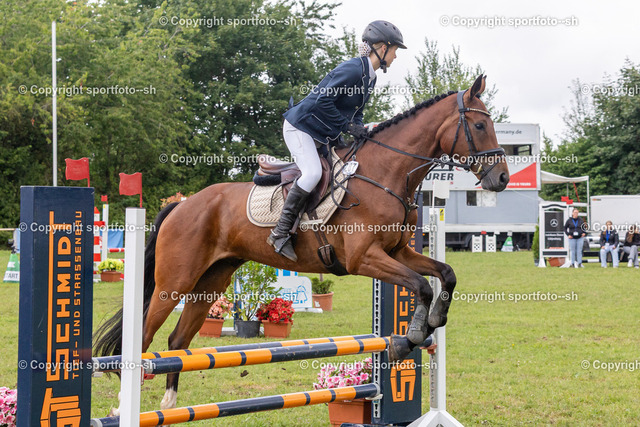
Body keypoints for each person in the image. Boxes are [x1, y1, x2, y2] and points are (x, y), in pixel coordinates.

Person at [268, 20, 407, 261]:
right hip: (301, 127)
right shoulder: (353, 69)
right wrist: (347, 127)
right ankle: (280, 233)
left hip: (323, 133)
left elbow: (356, 112)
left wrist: (360, 130)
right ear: (383, 48)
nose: (395, 56)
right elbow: (322, 101)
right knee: (312, 174)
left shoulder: (370, 77)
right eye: (395, 50)